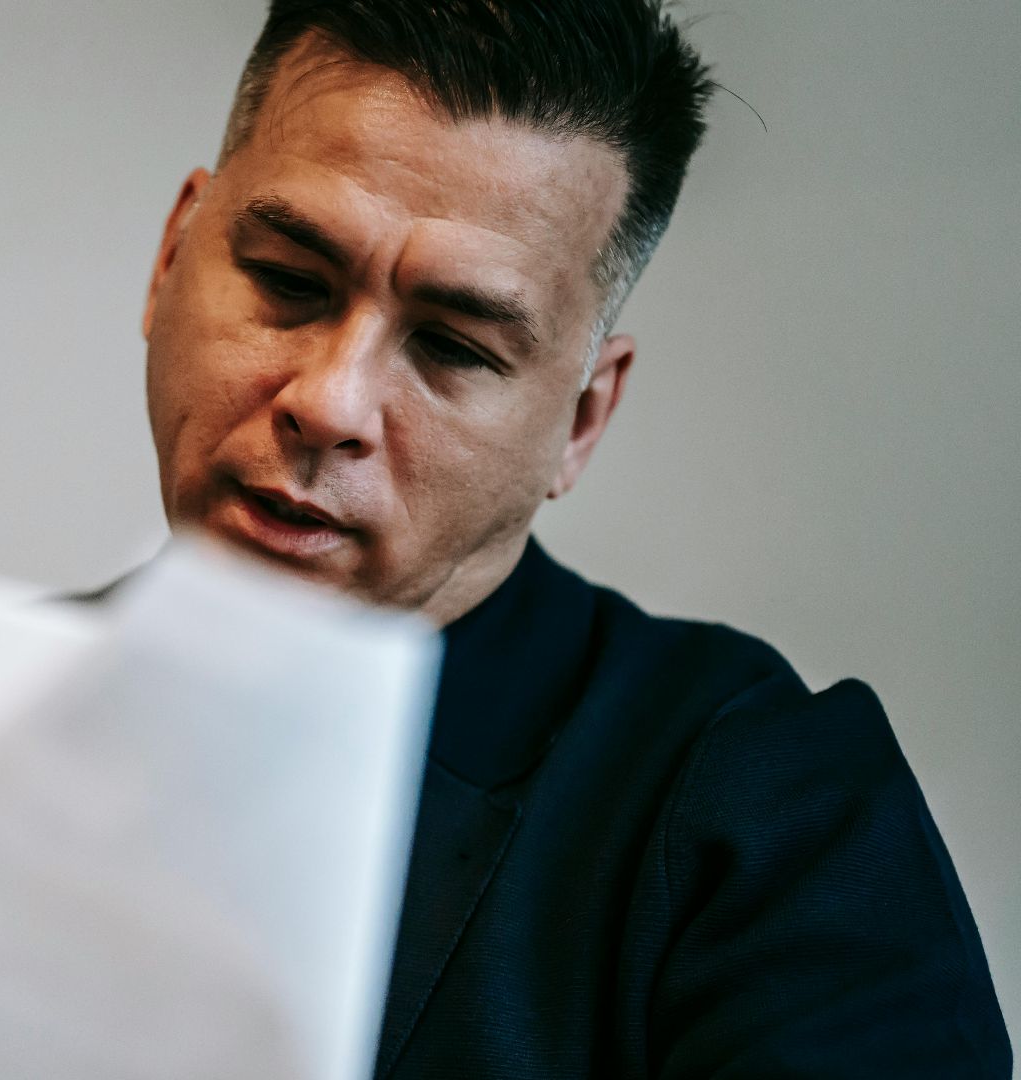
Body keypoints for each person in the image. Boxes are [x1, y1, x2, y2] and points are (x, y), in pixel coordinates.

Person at [129, 1, 1011, 1075]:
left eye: (454, 347)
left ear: (582, 421)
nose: (330, 403)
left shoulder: (772, 814)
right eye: (289, 282)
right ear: (172, 256)